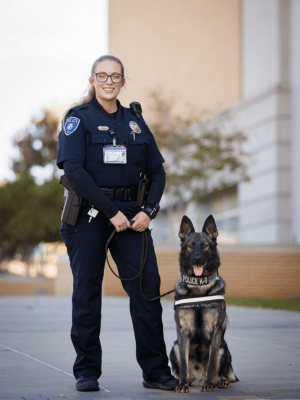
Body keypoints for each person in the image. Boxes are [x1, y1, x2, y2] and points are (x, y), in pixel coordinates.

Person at [56, 55, 178, 392]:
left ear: (123, 82)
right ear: (93, 79)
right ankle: (86, 371)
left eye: (116, 76)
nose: (109, 81)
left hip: (134, 217)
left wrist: (148, 211)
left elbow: (157, 171)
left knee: (147, 291)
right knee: (86, 292)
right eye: (103, 75)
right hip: (89, 215)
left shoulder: (136, 120)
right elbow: (74, 171)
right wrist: (111, 211)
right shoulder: (78, 119)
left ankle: (155, 371)